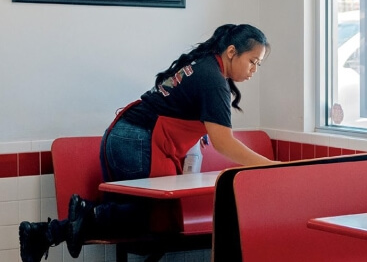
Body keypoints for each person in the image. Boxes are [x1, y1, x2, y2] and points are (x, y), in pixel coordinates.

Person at [18, 23, 278, 262]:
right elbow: (224, 144)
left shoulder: (203, 66)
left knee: (142, 216)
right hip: (137, 140)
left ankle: (45, 232)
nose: (254, 70)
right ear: (232, 52)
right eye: (252, 61)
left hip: (123, 136)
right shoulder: (213, 79)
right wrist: (270, 166)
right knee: (152, 218)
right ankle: (83, 215)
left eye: (259, 64)